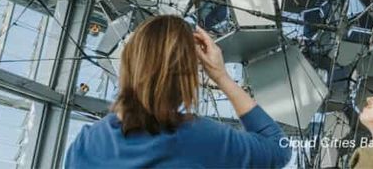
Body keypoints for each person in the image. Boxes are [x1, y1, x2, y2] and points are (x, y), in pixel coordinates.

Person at [65, 16, 291, 168]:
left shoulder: (84, 144)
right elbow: (277, 148)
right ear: (185, 78)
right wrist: (221, 76)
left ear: (129, 62)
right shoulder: (198, 137)